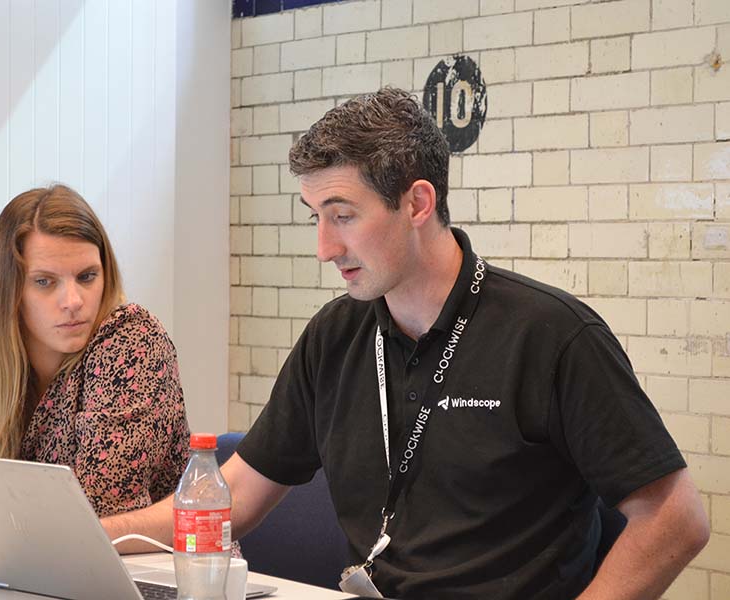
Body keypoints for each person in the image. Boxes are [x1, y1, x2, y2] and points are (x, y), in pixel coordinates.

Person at [102, 88, 709, 599]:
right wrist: (91, 535)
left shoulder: (551, 336)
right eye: (314, 215)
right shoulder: (336, 336)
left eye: (342, 215)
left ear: (418, 202)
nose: (324, 247)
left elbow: (675, 517)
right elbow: (230, 499)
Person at [0, 184, 190, 519]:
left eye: (87, 277)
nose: (73, 301)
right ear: (9, 290)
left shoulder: (131, 342)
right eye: (44, 282)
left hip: (146, 566)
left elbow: (98, 504)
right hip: (27, 561)